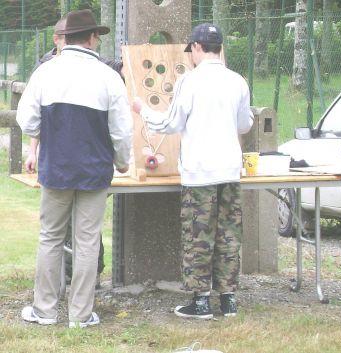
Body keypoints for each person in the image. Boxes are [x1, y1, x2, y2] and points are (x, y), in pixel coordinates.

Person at [17, 9, 132, 328]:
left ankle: (45, 309)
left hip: (56, 168)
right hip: (94, 172)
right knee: (87, 240)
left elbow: (26, 119)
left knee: (50, 238)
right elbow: (121, 130)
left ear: (65, 38)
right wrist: (122, 161)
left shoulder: (46, 72)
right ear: (92, 38)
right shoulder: (109, 77)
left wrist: (45, 137)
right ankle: (80, 315)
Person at [132, 23, 254, 319]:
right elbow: (245, 125)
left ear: (197, 48)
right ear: (220, 48)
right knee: (228, 236)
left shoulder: (190, 82)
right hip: (229, 170)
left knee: (199, 236)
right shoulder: (238, 81)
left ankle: (200, 301)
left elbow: (170, 124)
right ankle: (228, 300)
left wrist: (141, 109)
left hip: (199, 172)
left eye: (192, 51)